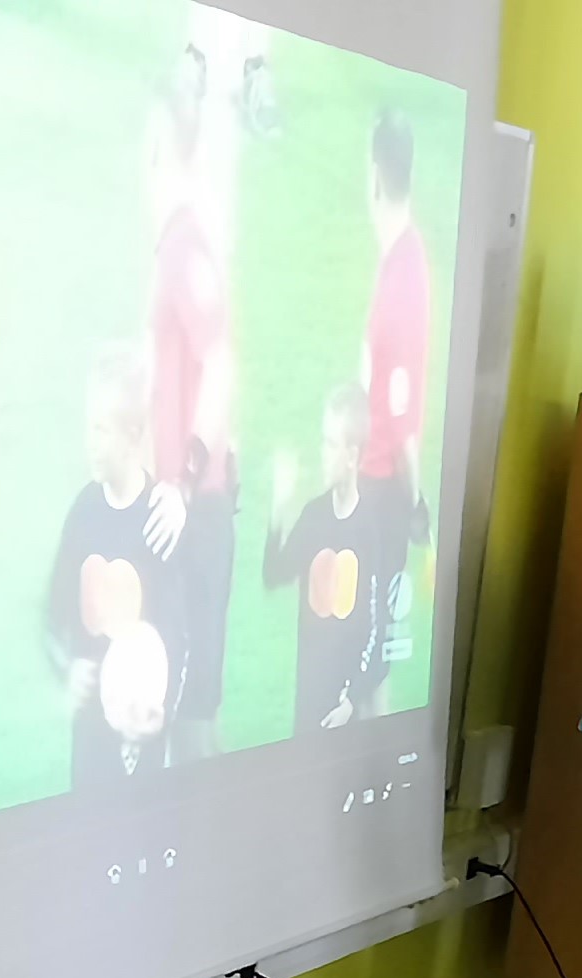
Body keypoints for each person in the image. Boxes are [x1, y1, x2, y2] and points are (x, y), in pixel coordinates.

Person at [145, 83, 238, 767]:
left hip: (195, 515)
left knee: (192, 722)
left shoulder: (183, 246)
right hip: (192, 510)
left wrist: (183, 477)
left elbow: (220, 363)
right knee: (182, 715)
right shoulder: (176, 243)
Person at [47, 348, 185, 789]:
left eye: (101, 430)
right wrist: (69, 669)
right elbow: (55, 611)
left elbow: (179, 638)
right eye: (89, 427)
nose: (90, 442)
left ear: (132, 436)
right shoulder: (83, 512)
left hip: (142, 738)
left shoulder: (159, 522)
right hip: (89, 739)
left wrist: (159, 709)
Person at [358, 107, 434, 697]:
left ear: (377, 175)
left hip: (383, 491)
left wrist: (415, 503)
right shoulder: (401, 260)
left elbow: (403, 415)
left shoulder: (404, 277)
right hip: (377, 485)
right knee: (361, 656)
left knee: (370, 661)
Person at [264, 386, 391, 733]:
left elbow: (376, 630)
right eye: (323, 442)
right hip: (307, 706)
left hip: (345, 713)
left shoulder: (370, 531)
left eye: (331, 445)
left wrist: (351, 701)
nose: (323, 454)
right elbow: (274, 574)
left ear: (351, 456)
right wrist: (278, 507)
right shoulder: (313, 516)